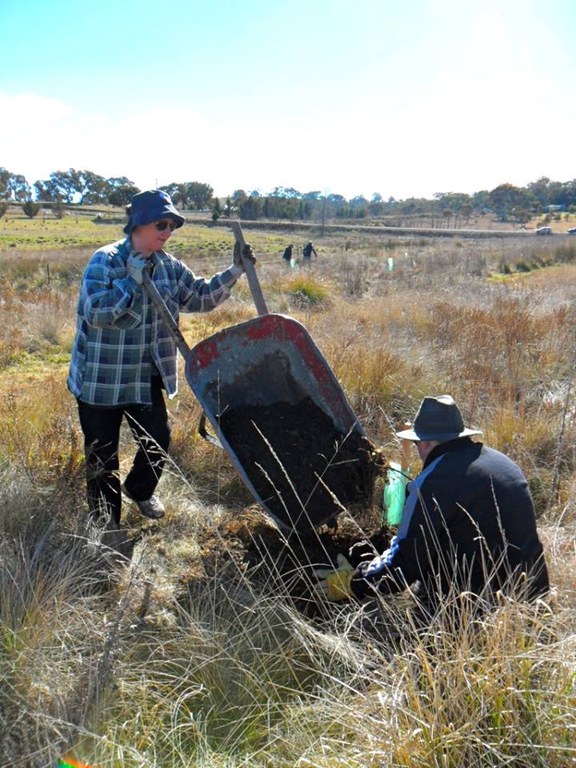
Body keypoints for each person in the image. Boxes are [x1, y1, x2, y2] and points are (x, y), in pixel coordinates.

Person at [68, 189, 255, 530]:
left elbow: (199, 296)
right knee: (101, 456)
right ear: (138, 224)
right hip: (101, 382)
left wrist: (235, 271)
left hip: (144, 377)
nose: (168, 231)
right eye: (161, 223)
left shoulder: (168, 267)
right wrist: (130, 282)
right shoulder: (105, 261)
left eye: (172, 224)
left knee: (158, 440)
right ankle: (106, 526)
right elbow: (97, 312)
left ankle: (139, 489)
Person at [316, 395, 549, 609]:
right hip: (533, 595)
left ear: (425, 443)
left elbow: (404, 564)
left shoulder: (433, 482)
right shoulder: (502, 463)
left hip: (476, 608)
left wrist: (354, 583)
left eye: (417, 445)